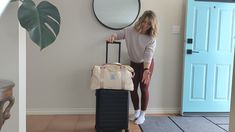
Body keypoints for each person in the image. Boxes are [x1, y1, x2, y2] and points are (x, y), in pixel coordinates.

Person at [107, 10, 158, 124]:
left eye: (149, 24)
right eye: (144, 22)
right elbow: (118, 34)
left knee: (144, 88)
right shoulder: (130, 30)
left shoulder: (151, 38)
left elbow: (148, 55)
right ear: (140, 20)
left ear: (152, 26)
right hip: (134, 63)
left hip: (146, 64)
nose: (145, 25)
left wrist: (146, 70)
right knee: (132, 88)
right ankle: (136, 111)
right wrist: (112, 37)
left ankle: (143, 115)